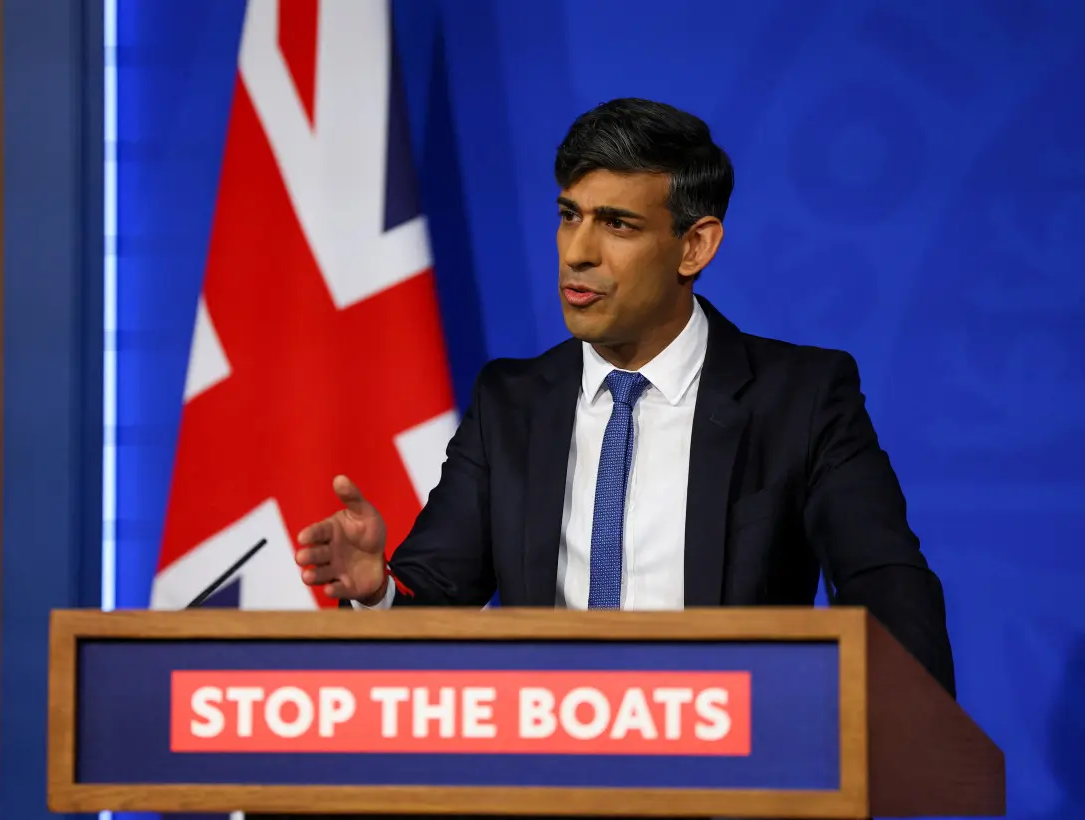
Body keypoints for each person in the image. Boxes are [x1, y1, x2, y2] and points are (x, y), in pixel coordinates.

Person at [293, 97, 955, 697]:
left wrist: (911, 727)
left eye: (617, 224)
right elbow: (435, 601)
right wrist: (376, 589)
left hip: (734, 773)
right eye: (569, 216)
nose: (578, 252)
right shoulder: (512, 403)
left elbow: (882, 579)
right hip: (549, 776)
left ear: (693, 246)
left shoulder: (800, 399)